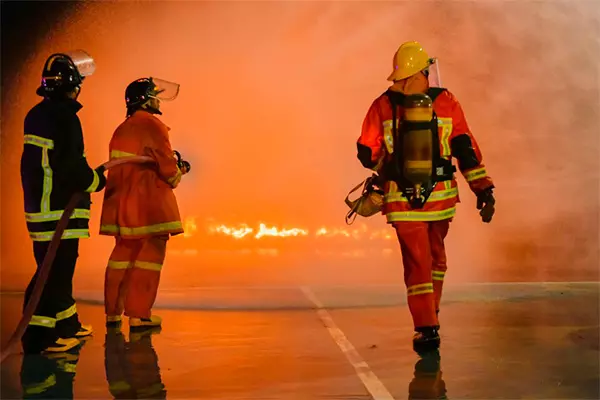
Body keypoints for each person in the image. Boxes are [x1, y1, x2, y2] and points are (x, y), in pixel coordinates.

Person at [356, 41, 496, 352]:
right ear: (424, 71)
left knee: (416, 263)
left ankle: (426, 327)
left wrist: (386, 161)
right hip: (441, 199)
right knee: (436, 259)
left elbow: (366, 152)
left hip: (402, 203)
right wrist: (483, 188)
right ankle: (433, 312)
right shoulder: (446, 101)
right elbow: (466, 149)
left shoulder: (382, 104)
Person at [20, 50, 106, 353]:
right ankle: (41, 338)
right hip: (58, 211)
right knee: (53, 276)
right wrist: (97, 181)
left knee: (54, 270)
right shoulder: (65, 118)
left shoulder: (38, 114)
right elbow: (72, 168)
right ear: (72, 84)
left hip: (42, 209)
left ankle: (68, 324)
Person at [99, 77, 190, 330]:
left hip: (123, 206)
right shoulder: (153, 125)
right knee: (148, 260)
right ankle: (140, 316)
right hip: (149, 207)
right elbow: (168, 171)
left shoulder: (122, 128)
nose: (157, 99)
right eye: (154, 95)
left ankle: (113, 314)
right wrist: (179, 172)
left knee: (121, 258)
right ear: (145, 99)